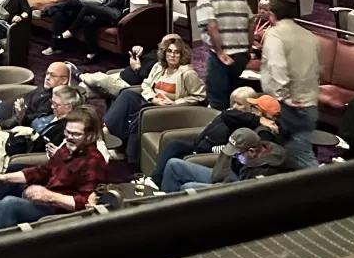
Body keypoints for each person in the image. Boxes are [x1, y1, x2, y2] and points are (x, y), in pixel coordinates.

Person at [0, 107, 107, 231]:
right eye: (67, 132)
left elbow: (86, 203)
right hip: (47, 202)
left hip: (61, 212)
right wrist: (1, 177)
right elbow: (42, 172)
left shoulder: (94, 161)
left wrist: (48, 196)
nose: (69, 137)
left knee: (9, 204)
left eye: (76, 134)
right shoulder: (67, 149)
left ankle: (8, 246)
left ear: (90, 136)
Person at [99, 33, 205, 165]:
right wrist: (152, 98)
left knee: (138, 116)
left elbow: (200, 96)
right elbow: (146, 84)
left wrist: (176, 103)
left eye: (176, 52)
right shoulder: (159, 66)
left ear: (182, 55)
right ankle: (105, 130)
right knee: (127, 95)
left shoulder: (188, 73)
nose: (172, 55)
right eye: (169, 51)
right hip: (153, 101)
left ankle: (129, 156)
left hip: (167, 109)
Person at [146, 90, 280, 190]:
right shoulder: (250, 120)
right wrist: (257, 119)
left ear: (261, 112)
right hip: (222, 171)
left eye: (254, 107)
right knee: (173, 162)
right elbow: (226, 115)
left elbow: (248, 172)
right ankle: (161, 196)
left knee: (187, 187)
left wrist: (224, 181)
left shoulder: (263, 134)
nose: (251, 109)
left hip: (231, 180)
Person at [258, 0, 321, 170]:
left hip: (287, 105)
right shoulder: (310, 36)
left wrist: (283, 96)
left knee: (297, 156)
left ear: (272, 14)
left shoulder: (275, 34)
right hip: (309, 103)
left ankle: (328, 184)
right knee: (293, 155)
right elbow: (318, 68)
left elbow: (276, 66)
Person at [195, 0, 255, 111]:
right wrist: (248, 49)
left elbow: (211, 26)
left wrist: (220, 52)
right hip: (241, 56)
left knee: (217, 103)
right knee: (236, 102)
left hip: (221, 57)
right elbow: (251, 24)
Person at [160, 125, 288, 193]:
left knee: (189, 187)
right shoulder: (252, 148)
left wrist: (218, 185)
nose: (233, 156)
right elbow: (219, 174)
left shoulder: (266, 170)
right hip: (226, 178)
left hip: (232, 191)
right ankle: (163, 207)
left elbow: (243, 194)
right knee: (173, 165)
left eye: (236, 154)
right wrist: (219, 177)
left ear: (252, 152)